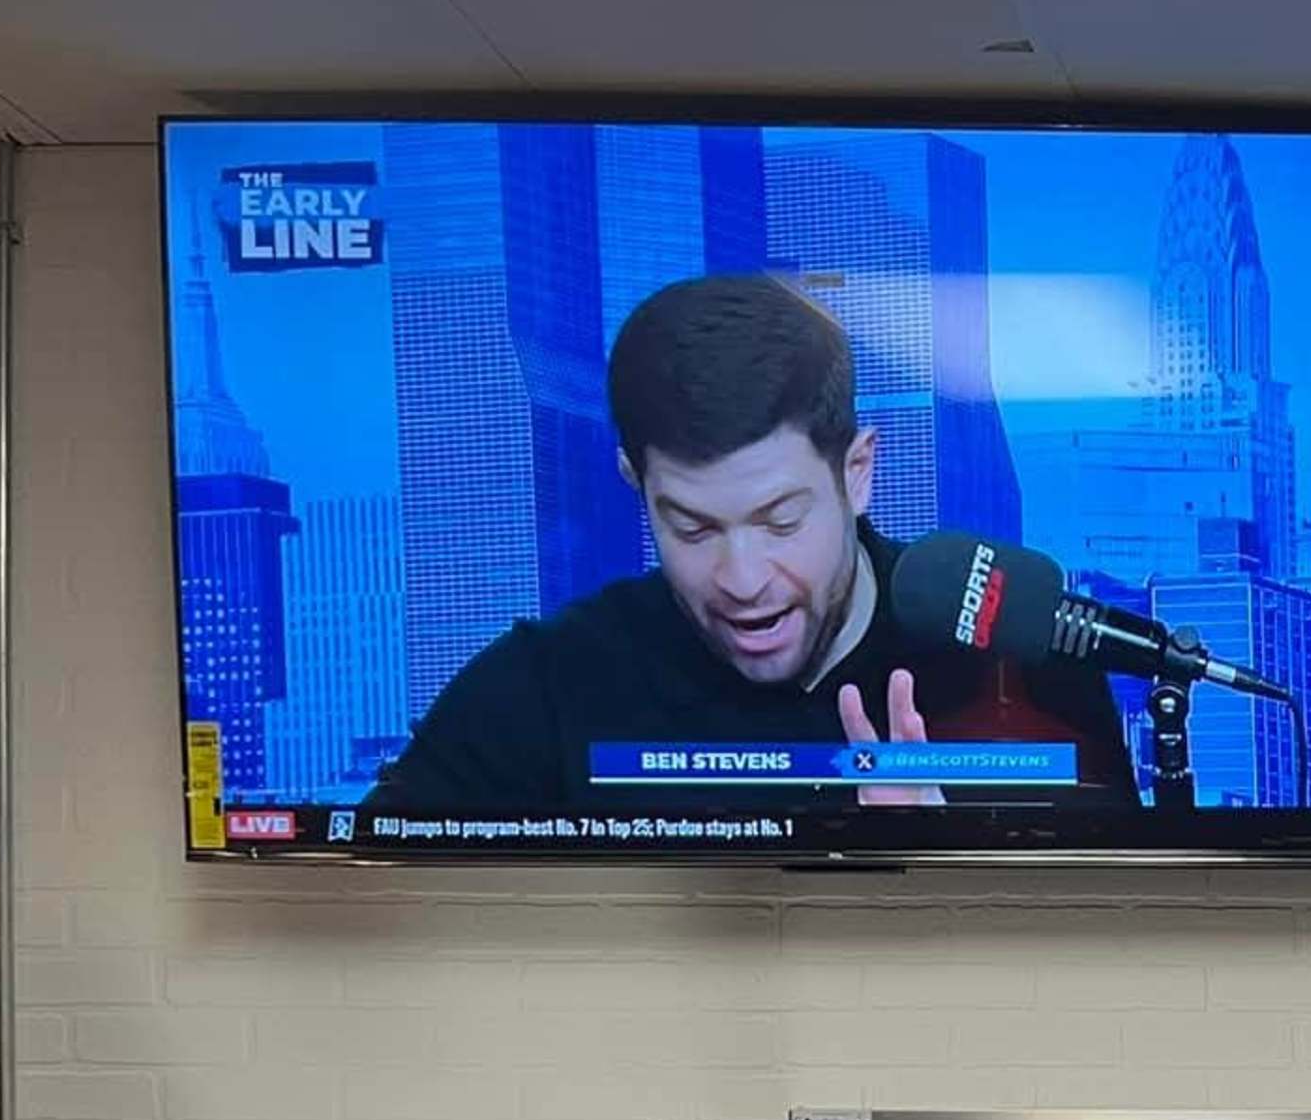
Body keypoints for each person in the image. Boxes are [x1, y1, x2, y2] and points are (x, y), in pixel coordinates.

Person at [367, 275, 1135, 826]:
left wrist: (949, 854)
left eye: (780, 521)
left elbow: (1110, 956)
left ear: (857, 473)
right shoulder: (546, 687)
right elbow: (380, 895)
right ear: (636, 484)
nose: (741, 581)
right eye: (692, 528)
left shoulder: (1016, 654)